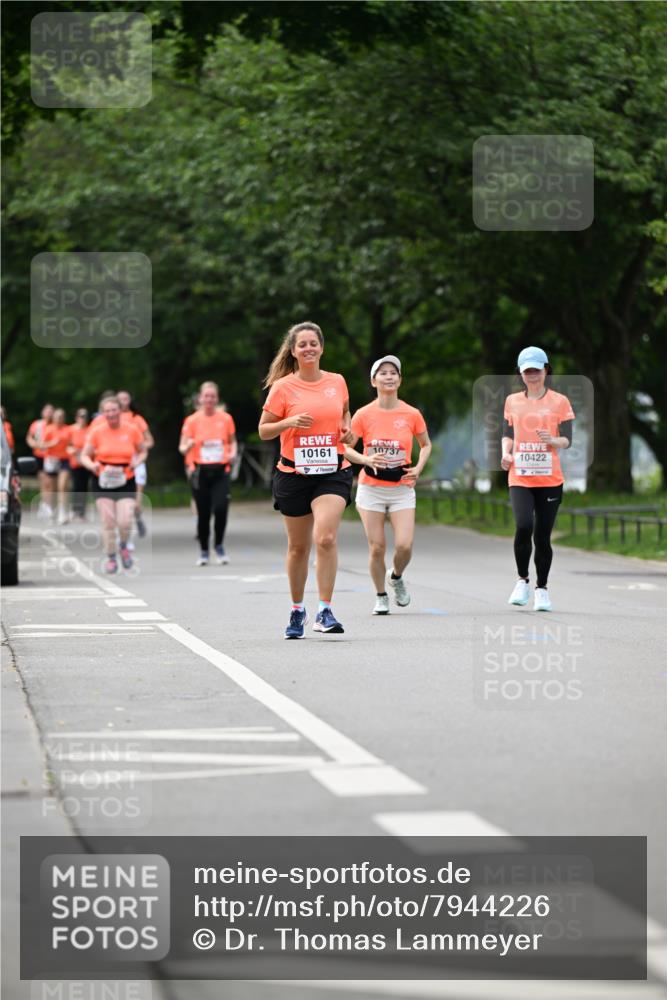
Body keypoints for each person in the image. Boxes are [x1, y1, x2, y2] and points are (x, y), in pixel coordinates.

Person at [258, 321, 355, 638]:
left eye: (314, 343)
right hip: (293, 474)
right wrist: (289, 421)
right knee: (298, 547)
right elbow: (264, 430)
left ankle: (324, 611)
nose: (309, 348)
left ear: (322, 347)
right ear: (293, 351)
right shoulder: (283, 387)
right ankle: (297, 609)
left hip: (333, 470)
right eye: (302, 344)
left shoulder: (337, 382)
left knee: (325, 538)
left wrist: (347, 427)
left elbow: (344, 413)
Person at [345, 356, 431, 615]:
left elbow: (426, 444)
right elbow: (346, 448)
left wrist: (418, 468)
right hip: (371, 487)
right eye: (383, 373)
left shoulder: (411, 413)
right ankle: (381, 595)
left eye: (394, 372)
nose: (389, 376)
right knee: (377, 547)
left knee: (404, 545)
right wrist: (366, 459)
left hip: (402, 487)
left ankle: (396, 576)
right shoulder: (363, 415)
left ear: (400, 380)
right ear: (374, 381)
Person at [501, 346, 574, 612]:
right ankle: (522, 580)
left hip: (550, 479)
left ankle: (541, 589)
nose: (532, 375)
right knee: (523, 526)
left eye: (536, 370)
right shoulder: (512, 401)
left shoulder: (560, 401)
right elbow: (507, 432)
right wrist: (506, 453)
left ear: (546, 370)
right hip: (519, 476)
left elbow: (567, 440)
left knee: (542, 537)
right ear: (521, 374)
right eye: (527, 371)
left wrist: (552, 440)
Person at [80, 396, 147, 573]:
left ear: (120, 411)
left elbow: (143, 451)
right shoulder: (97, 431)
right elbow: (84, 455)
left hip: (126, 478)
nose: (111, 414)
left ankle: (123, 547)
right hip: (103, 479)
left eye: (114, 410)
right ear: (103, 413)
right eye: (107, 411)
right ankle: (111, 557)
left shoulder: (132, 430)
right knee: (108, 521)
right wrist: (91, 465)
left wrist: (137, 462)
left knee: (125, 520)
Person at [179, 381, 237, 566]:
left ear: (217, 398)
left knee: (221, 509)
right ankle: (204, 550)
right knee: (203, 513)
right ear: (200, 398)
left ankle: (218, 545)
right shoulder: (192, 421)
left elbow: (232, 441)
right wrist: (187, 446)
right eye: (206, 396)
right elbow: (181, 446)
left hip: (221, 470)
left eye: (212, 396)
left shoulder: (226, 419)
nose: (209, 399)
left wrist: (233, 453)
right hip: (200, 471)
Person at [117, 390, 153, 538]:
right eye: (120, 399)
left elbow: (150, 440)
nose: (124, 401)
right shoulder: (112, 419)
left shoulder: (137, 419)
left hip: (136, 462)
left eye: (126, 398)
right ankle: (124, 525)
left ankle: (136, 518)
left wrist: (140, 450)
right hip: (117, 464)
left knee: (136, 499)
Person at [39, 408, 72, 524]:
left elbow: (71, 444)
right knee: (51, 488)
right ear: (53, 418)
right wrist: (51, 444)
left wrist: (71, 449)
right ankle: (52, 511)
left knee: (62, 486)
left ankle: (63, 513)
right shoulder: (48, 429)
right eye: (57, 417)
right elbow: (41, 445)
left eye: (62, 417)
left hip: (64, 459)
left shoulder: (68, 429)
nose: (59, 419)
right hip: (51, 459)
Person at [26, 403, 54, 519]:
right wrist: (34, 444)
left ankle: (48, 504)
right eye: (47, 411)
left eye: (51, 411)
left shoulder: (55, 425)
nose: (49, 413)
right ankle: (45, 504)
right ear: (43, 412)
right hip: (39, 455)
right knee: (44, 481)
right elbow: (29, 437)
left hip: (51, 456)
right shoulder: (37, 424)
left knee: (50, 482)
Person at [67, 408, 91, 520]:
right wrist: (71, 450)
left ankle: (82, 512)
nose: (83, 419)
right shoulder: (71, 429)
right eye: (81, 416)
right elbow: (66, 445)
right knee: (76, 486)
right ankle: (74, 510)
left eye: (85, 416)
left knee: (84, 487)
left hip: (86, 461)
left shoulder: (90, 429)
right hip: (75, 461)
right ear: (76, 417)